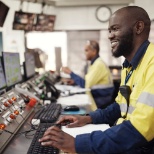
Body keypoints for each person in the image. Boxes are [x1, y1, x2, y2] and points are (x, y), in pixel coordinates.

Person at [39, 6, 154, 153]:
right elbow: (119, 106)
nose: (110, 36)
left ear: (138, 27)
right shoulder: (129, 66)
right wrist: (88, 118)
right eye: (109, 31)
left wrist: (78, 144)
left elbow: (140, 129)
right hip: (129, 139)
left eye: (115, 29)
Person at [62, 40, 114, 110]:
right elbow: (88, 81)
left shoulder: (98, 65)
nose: (84, 53)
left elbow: (86, 84)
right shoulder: (94, 64)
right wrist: (74, 81)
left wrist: (70, 73)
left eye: (86, 50)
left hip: (101, 100)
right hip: (99, 96)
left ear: (94, 51)